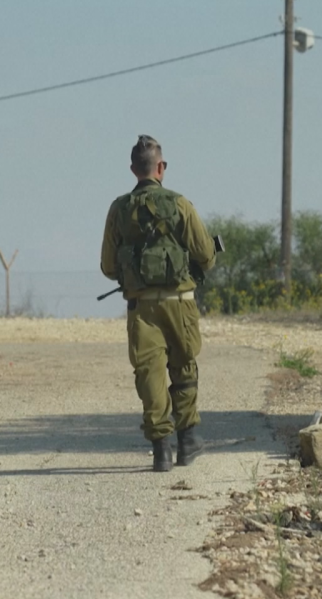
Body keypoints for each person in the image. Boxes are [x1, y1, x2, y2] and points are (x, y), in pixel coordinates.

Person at [100, 135, 216, 472]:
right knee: (184, 369)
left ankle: (161, 451)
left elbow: (108, 267)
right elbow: (206, 256)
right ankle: (189, 441)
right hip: (180, 304)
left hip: (141, 308)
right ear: (161, 168)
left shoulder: (119, 209)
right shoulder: (181, 204)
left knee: (149, 373)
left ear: (133, 169)